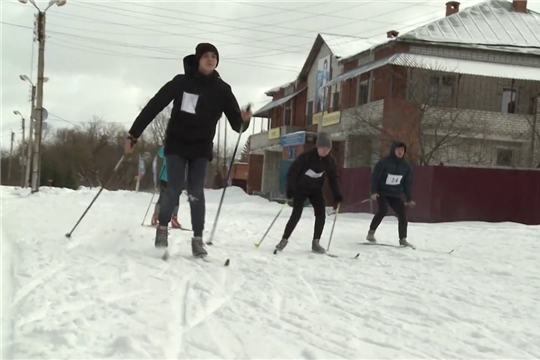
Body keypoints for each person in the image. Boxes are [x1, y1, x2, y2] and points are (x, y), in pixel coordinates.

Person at [125, 43, 251, 257]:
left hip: (201, 148)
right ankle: (162, 228)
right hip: (177, 144)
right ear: (198, 59)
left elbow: (236, 126)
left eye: (214, 56)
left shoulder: (222, 90)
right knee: (173, 187)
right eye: (206, 56)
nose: (210, 59)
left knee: (196, 192)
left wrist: (244, 120)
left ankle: (198, 239)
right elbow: (154, 106)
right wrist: (133, 134)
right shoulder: (181, 82)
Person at [275, 132, 343, 254]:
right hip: (300, 189)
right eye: (322, 148)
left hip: (315, 190)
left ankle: (316, 242)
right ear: (317, 146)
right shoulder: (305, 157)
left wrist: (337, 196)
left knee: (321, 214)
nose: (325, 151)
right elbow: (292, 173)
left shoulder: (330, 161)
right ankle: (284, 240)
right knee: (296, 214)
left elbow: (333, 179)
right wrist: (290, 189)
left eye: (327, 149)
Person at [366, 140, 415, 247]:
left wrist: (409, 198)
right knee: (383, 210)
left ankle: (403, 239)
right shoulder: (384, 163)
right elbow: (375, 177)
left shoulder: (406, 166)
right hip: (382, 192)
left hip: (395, 194)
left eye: (402, 150)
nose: (400, 152)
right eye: (398, 149)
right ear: (393, 150)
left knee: (402, 215)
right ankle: (371, 232)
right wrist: (374, 191)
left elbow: (407, 183)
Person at [151, 145, 182, 229]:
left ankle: (174, 218)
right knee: (163, 197)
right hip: (165, 177)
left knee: (176, 198)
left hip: (177, 178)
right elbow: (160, 153)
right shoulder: (168, 146)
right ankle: (156, 216)